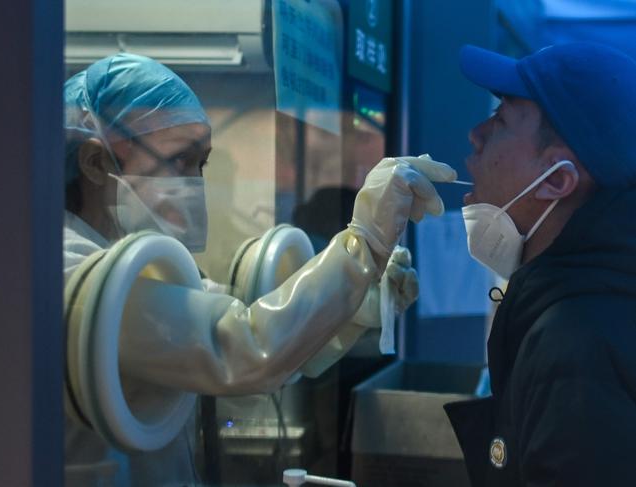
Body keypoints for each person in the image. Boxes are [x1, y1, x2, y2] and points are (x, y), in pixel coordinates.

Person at [63, 53, 453, 485]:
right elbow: (244, 347)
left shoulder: (130, 264)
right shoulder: (71, 272)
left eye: (202, 164)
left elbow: (267, 330)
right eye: (180, 161)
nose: (196, 184)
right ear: (95, 162)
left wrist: (362, 303)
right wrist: (363, 246)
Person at [445, 42, 636, 486]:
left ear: (557, 180)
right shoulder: (598, 301)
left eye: (502, 119)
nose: (476, 133)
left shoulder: (576, 347)